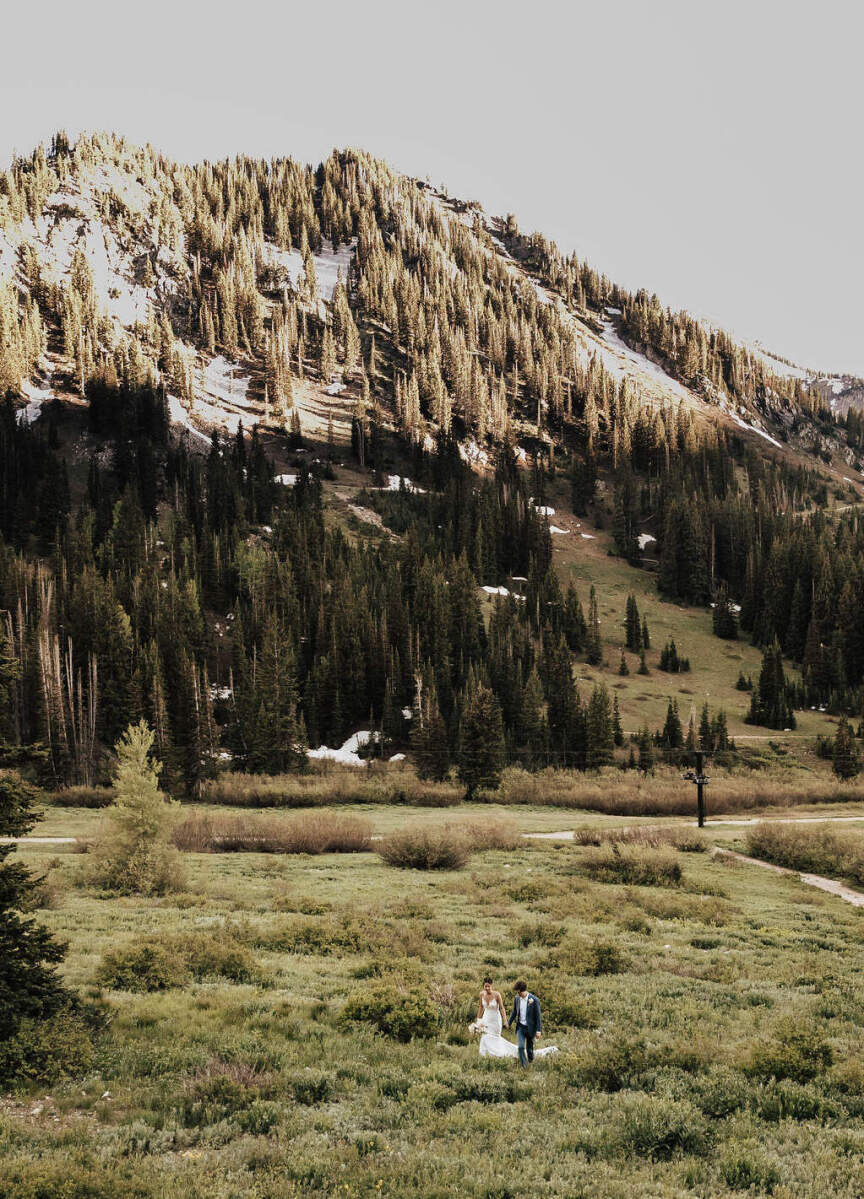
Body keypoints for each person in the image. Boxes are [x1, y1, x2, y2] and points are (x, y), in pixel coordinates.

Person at [470, 976, 557, 1061]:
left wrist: (505, 1021)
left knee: (494, 1038)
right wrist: (479, 1020)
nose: (487, 988)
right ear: (483, 986)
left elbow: (502, 1008)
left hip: (495, 1020)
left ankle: (501, 1053)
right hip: (486, 1018)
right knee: (485, 1036)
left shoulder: (497, 995)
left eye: (489, 986)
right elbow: (481, 1007)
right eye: (486, 986)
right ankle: (486, 1055)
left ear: (492, 985)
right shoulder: (481, 994)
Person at [510, 980, 541, 1067]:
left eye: (518, 991)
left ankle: (531, 1060)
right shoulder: (517, 999)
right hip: (520, 1027)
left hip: (530, 1028)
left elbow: (538, 1017)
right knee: (520, 1047)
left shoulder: (534, 1000)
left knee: (529, 1050)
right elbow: (514, 1012)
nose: (517, 993)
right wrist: (508, 1023)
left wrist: (539, 1030)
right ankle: (524, 1066)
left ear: (522, 990)